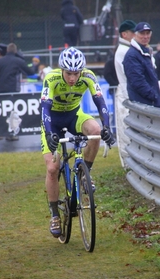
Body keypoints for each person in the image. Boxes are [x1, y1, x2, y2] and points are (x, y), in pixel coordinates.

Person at [40, 47, 115, 238]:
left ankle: (84, 175)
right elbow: (45, 108)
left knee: (96, 131)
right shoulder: (51, 78)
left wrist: (107, 127)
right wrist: (49, 134)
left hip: (74, 115)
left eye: (76, 73)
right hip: (52, 121)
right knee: (52, 168)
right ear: (62, 70)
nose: (72, 78)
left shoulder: (88, 76)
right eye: (68, 73)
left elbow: (100, 102)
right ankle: (55, 214)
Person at [123, 22, 160, 108]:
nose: (145, 36)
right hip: (144, 106)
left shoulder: (146, 52)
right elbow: (137, 81)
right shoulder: (132, 55)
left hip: (150, 104)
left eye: (147, 33)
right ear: (135, 35)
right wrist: (154, 97)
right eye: (142, 33)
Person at [114, 20, 136, 169]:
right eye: (133, 32)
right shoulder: (123, 50)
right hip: (125, 94)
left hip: (127, 93)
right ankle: (128, 166)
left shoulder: (127, 48)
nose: (136, 35)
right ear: (124, 34)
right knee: (126, 130)